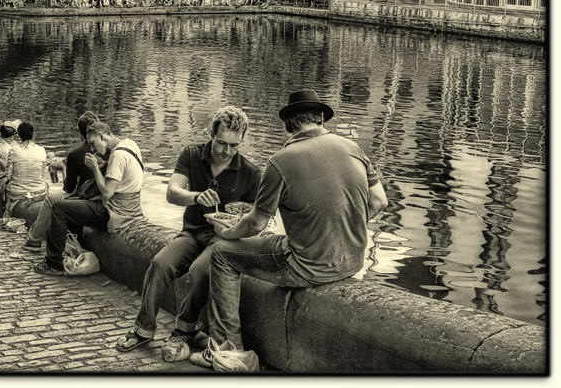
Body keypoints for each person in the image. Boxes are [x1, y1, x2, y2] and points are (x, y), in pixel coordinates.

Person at [190, 90, 389, 368]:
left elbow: (256, 223)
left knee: (222, 254)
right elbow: (379, 201)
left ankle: (229, 352)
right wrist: (344, 226)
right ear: (321, 119)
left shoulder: (280, 161)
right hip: (352, 260)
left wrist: (226, 233)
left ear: (289, 125)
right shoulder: (353, 147)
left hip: (310, 266)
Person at [115, 106, 263, 354]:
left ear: (242, 141)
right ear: (211, 135)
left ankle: (185, 327)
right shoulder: (192, 154)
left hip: (223, 240)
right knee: (159, 264)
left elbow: (257, 218)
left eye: (234, 146)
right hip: (192, 233)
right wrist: (196, 197)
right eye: (221, 143)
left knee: (198, 271)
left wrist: (239, 217)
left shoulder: (251, 172)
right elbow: (173, 193)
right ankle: (143, 328)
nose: (227, 151)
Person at [34, 121, 145, 276]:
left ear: (101, 135)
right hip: (129, 207)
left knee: (59, 208)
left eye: (93, 143)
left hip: (115, 211)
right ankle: (76, 251)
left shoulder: (118, 155)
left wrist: (94, 168)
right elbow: (124, 174)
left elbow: (107, 192)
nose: (92, 149)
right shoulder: (129, 144)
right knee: (67, 205)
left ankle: (53, 264)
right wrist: (104, 164)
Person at [21, 111, 104, 252]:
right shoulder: (107, 150)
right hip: (101, 197)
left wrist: (63, 167)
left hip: (86, 198)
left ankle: (34, 239)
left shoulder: (76, 154)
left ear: (80, 133)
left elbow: (68, 188)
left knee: (51, 199)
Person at [4, 121, 49, 220]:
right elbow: (41, 175)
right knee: (46, 184)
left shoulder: (13, 150)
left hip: (18, 194)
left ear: (19, 135)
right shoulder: (42, 150)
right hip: (39, 192)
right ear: (33, 134)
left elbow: (8, 176)